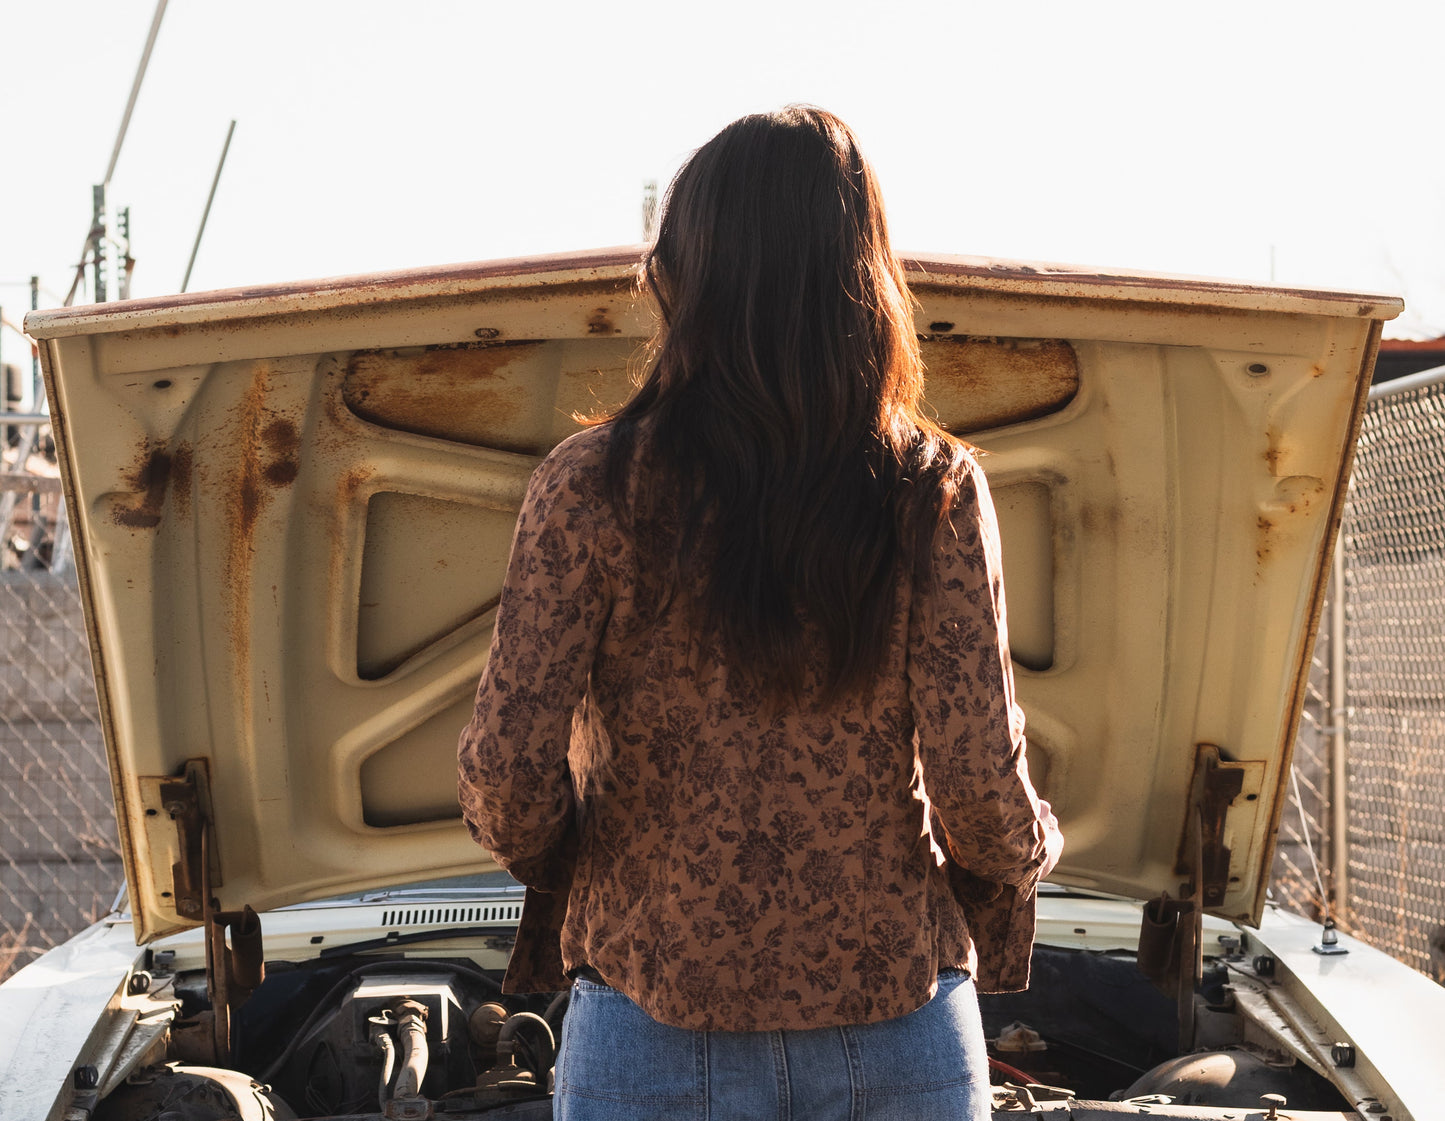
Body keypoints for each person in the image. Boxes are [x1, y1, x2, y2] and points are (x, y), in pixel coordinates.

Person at [458, 105, 1063, 1121]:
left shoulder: (587, 486)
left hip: (648, 1027)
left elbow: (507, 776)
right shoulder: (934, 488)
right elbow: (976, 789)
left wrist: (605, 868)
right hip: (895, 1028)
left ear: (685, 276)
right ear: (866, 276)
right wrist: (1030, 846)